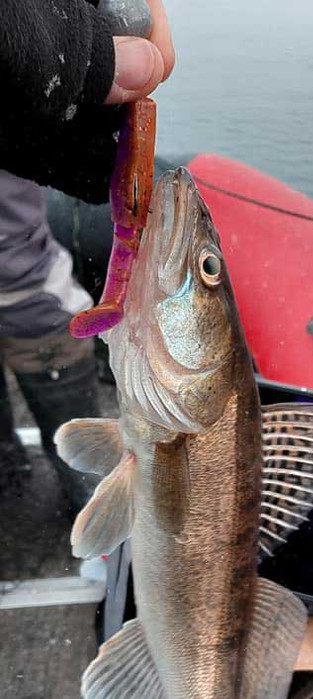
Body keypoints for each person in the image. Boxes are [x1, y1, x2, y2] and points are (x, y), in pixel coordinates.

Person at [0, 0, 175, 511]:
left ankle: (87, 504)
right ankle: (34, 492)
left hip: (31, 296)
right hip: (36, 298)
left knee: (86, 471)